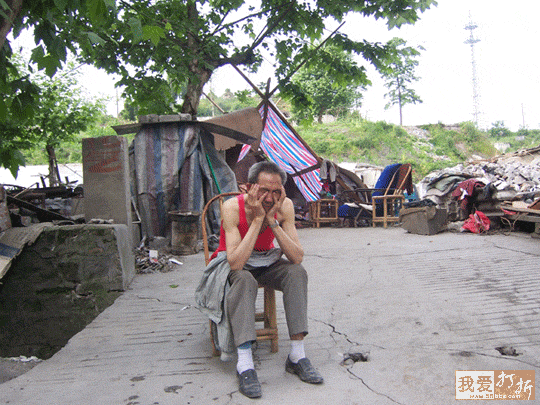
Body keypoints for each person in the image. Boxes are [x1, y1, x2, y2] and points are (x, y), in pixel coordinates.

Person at [195, 161, 323, 399]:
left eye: (276, 191)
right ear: (248, 188)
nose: (269, 197)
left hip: (266, 259)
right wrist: (256, 220)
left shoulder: (284, 206)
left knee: (297, 273)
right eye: (263, 190)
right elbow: (236, 263)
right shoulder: (232, 208)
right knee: (245, 280)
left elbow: (296, 257)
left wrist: (272, 220)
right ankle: (245, 363)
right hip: (235, 261)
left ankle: (297, 355)